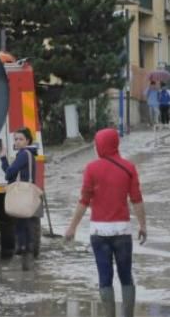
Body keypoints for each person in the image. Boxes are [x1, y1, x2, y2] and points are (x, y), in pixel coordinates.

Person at [65, 128, 147, 317]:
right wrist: (143, 226)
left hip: (99, 233)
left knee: (105, 278)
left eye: (96, 144)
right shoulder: (129, 168)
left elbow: (84, 201)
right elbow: (137, 199)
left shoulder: (91, 168)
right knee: (126, 277)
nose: (95, 147)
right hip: (122, 232)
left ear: (100, 145)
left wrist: (72, 227)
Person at [0, 127, 40, 271]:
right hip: (26, 194)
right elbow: (9, 173)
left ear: (27, 141)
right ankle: (26, 254)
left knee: (22, 224)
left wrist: (3, 159)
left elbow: (9, 173)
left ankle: (24, 251)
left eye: (20, 139)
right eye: (16, 139)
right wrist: (3, 158)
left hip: (22, 194)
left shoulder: (23, 154)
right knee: (24, 223)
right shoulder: (28, 154)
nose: (17, 141)